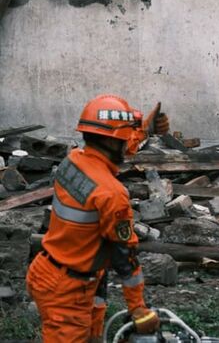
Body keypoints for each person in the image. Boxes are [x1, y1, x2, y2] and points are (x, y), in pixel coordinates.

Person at [27, 94, 169, 342]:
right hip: (68, 291)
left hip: (52, 271)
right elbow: (125, 257)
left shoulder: (72, 161)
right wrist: (137, 307)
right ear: (115, 143)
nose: (128, 144)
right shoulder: (111, 194)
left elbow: (116, 145)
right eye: (125, 139)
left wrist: (144, 130)